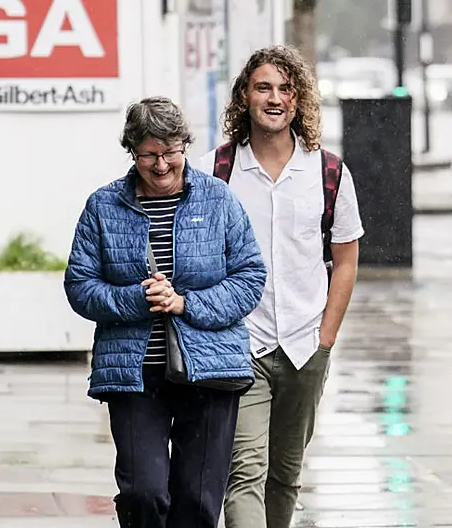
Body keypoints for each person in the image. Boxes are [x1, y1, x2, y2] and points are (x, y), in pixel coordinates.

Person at [64, 96, 267, 528]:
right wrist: (137, 299)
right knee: (144, 492)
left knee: (196, 501)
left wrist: (184, 303)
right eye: (149, 155)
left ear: (184, 147)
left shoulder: (217, 199)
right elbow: (80, 286)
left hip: (211, 368)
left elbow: (250, 277)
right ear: (132, 152)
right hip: (134, 374)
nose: (160, 166)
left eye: (170, 153)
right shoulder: (103, 206)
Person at [194, 45, 364, 528]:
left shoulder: (328, 172)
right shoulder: (214, 172)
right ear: (244, 95)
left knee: (286, 475)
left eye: (285, 88)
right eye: (263, 86)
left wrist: (326, 338)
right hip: (238, 345)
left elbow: (346, 258)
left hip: (306, 346)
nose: (275, 98)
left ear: (299, 99)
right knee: (244, 471)